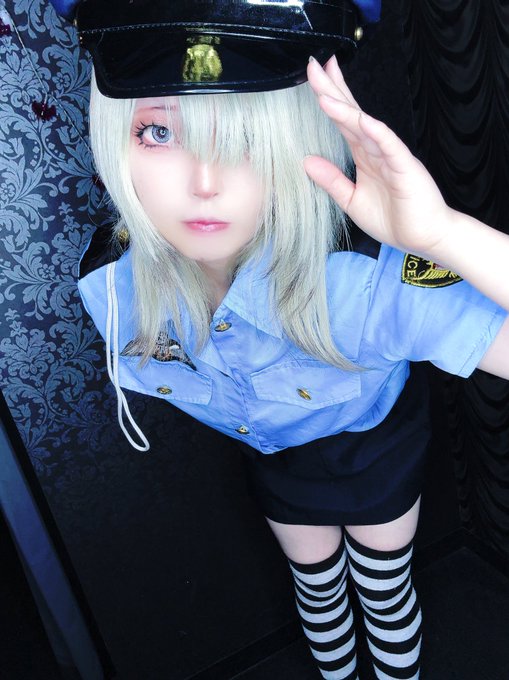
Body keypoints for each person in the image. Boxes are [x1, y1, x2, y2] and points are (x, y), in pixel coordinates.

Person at [55, 1, 509, 678]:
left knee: (384, 590)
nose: (204, 182)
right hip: (276, 458)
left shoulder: (364, 280)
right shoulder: (117, 288)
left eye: (244, 136)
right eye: (158, 131)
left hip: (372, 450)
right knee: (316, 589)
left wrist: (443, 236)